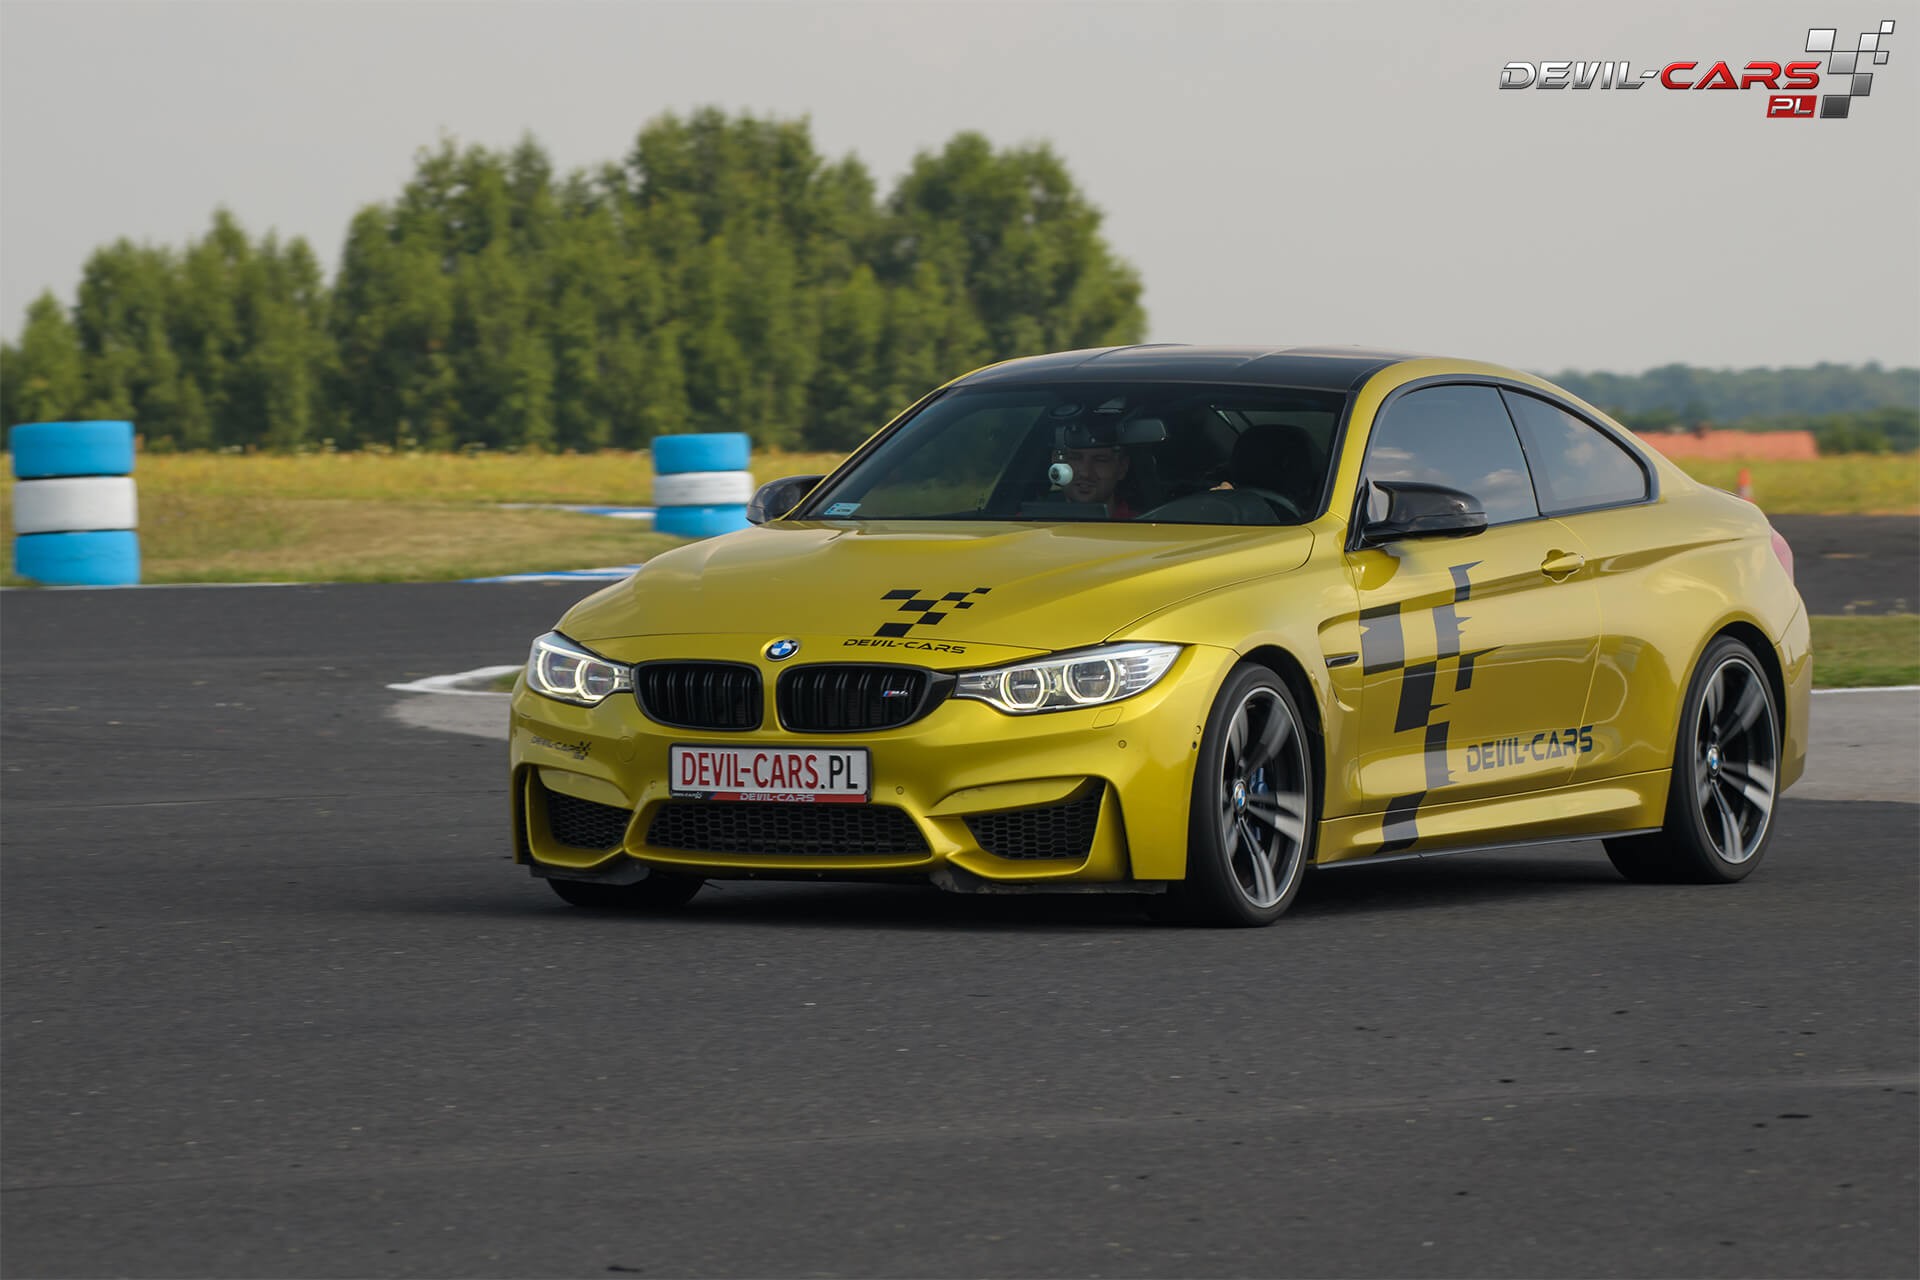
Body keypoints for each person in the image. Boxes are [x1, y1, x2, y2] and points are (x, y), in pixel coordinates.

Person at [1056, 441, 1135, 518]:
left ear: (1122, 467)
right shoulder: (1047, 521)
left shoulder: (1138, 524)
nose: (1085, 473)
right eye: (1075, 458)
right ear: (1056, 462)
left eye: (1100, 460)